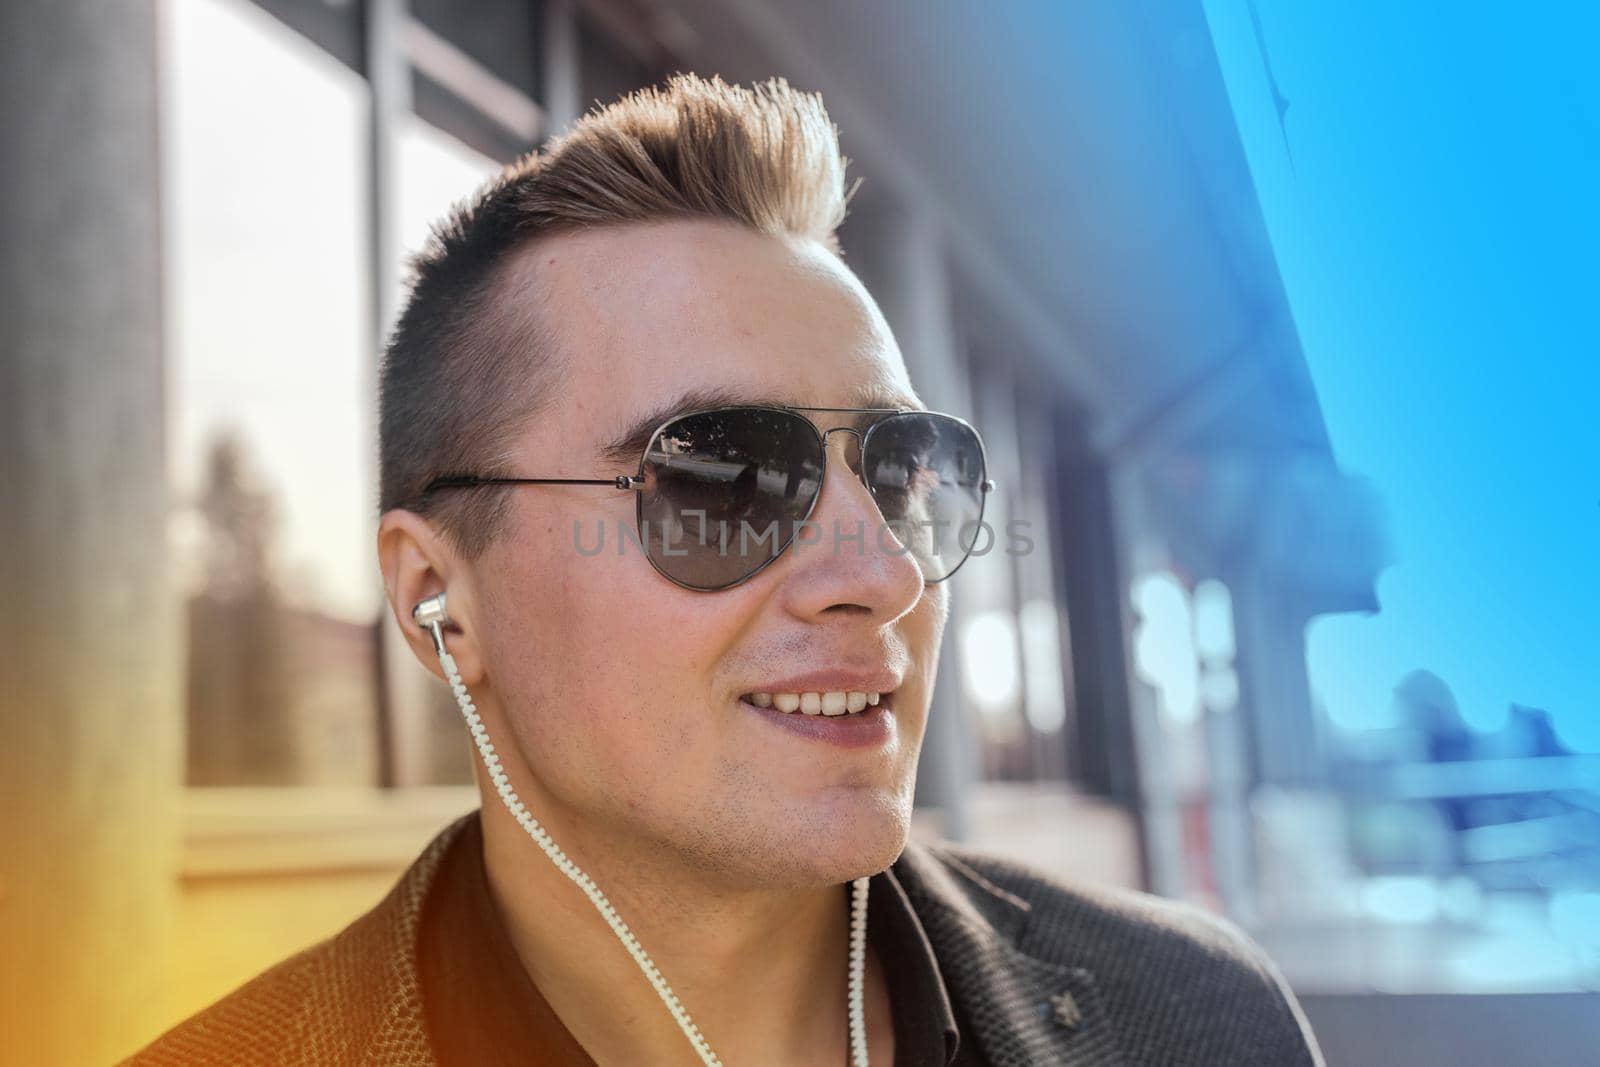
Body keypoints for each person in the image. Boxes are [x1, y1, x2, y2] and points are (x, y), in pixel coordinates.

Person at [125, 73, 1322, 1067]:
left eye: (905, 470)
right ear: (438, 596)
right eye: (721, 480)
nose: (881, 569)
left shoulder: (1202, 1019)